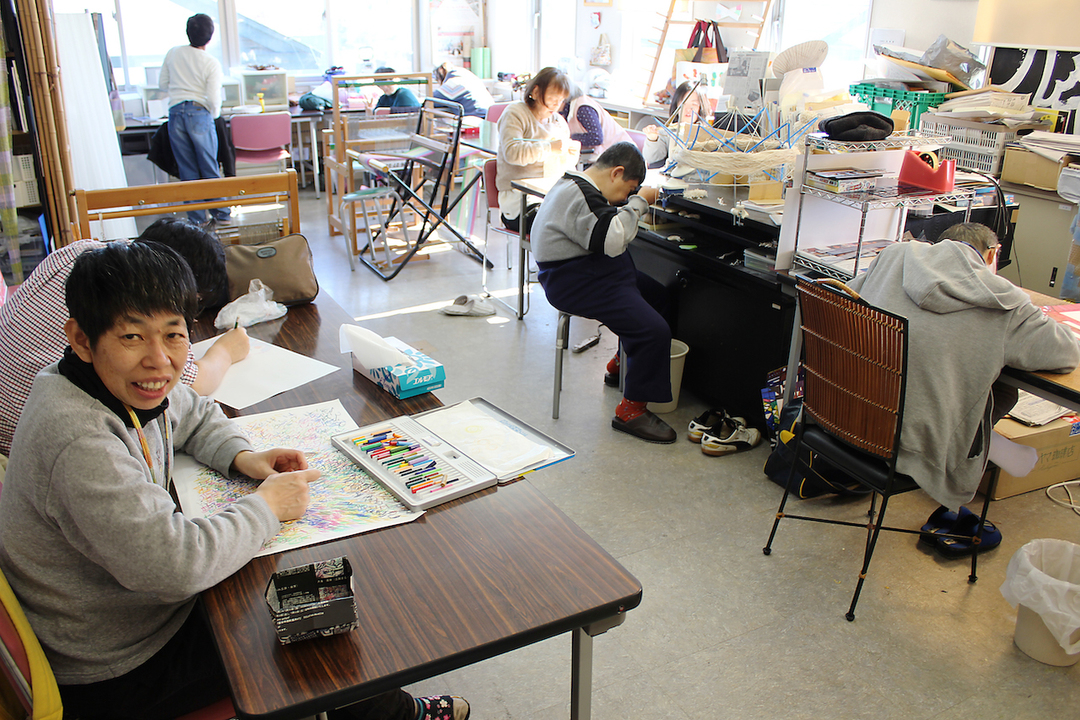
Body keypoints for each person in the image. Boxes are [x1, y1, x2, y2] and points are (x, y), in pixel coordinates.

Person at [0, 242, 470, 720]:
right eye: (131, 338)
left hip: (130, 614)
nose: (160, 361)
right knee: (314, 611)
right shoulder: (78, 437)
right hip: (119, 666)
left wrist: (245, 457)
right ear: (81, 339)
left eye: (174, 335)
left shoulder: (113, 383)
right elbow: (174, 565)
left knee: (291, 582)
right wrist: (268, 506)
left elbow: (194, 412)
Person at [846, 223, 1080, 511]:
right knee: (1002, 389)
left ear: (938, 245)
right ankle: (981, 448)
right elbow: (1066, 352)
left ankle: (992, 446)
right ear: (993, 255)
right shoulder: (1004, 300)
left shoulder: (895, 256)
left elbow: (844, 296)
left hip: (850, 412)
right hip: (914, 444)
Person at [0, 218, 249, 457]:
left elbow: (188, 410)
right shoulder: (86, 442)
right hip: (24, 443)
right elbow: (193, 384)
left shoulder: (80, 252)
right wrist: (226, 350)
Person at [531, 141, 677, 443]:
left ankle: (621, 364)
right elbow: (612, 241)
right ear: (617, 173)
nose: (626, 197)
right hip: (575, 281)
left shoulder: (576, 184)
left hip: (590, 272)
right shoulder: (580, 195)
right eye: (629, 188)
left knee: (660, 297)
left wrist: (628, 205)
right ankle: (631, 411)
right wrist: (640, 203)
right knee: (654, 331)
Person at [159, 14, 230, 226]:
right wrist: (214, 115)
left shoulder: (173, 53)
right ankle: (222, 214)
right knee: (209, 166)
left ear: (188, 32)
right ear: (210, 37)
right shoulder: (211, 62)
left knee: (187, 169)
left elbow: (163, 84)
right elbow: (213, 96)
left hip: (175, 113)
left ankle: (197, 220)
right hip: (199, 112)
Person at [495, 67, 580, 233]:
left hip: (550, 195)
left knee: (583, 219)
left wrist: (571, 155)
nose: (556, 105)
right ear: (535, 92)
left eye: (561, 100)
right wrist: (550, 147)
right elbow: (513, 153)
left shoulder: (558, 121)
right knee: (560, 225)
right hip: (519, 201)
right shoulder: (515, 113)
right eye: (552, 98)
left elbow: (565, 167)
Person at [641, 81, 711, 168]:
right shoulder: (667, 132)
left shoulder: (707, 134)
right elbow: (652, 160)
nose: (688, 110)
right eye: (683, 104)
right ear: (676, 106)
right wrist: (652, 139)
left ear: (701, 107)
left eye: (694, 104)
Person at [560, 83, 632, 159]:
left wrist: (569, 138)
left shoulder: (583, 108)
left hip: (621, 154)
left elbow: (596, 138)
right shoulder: (565, 111)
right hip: (604, 154)